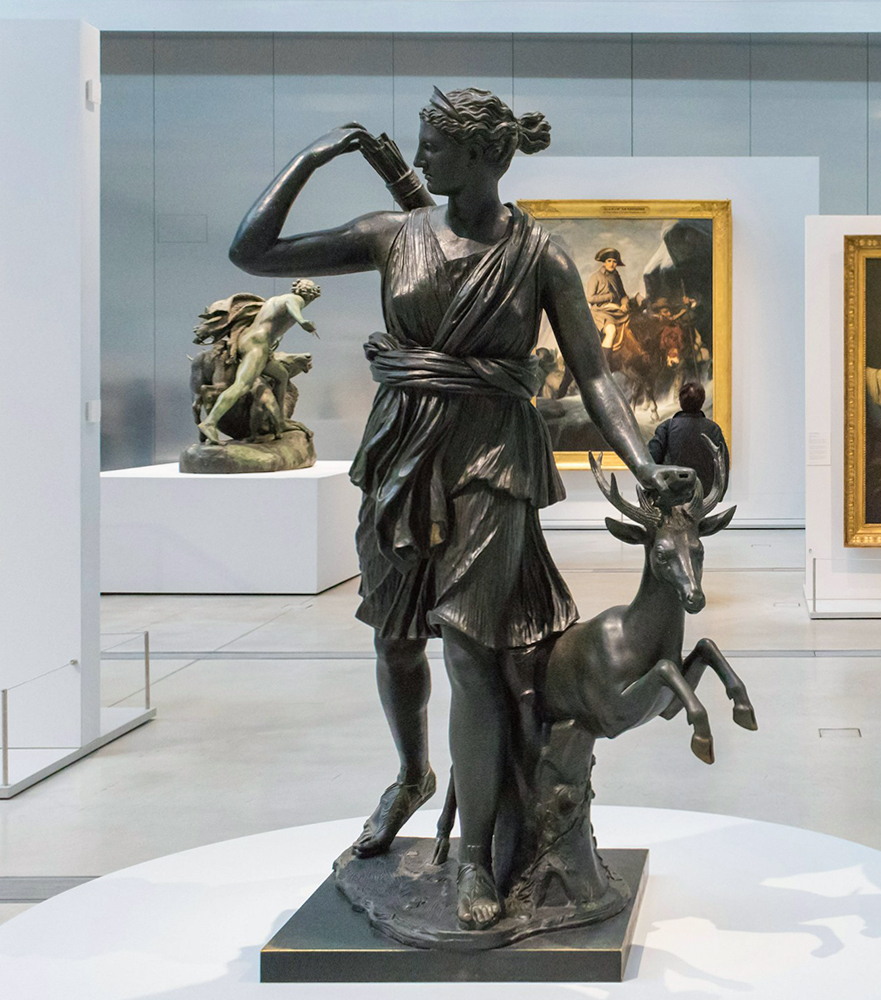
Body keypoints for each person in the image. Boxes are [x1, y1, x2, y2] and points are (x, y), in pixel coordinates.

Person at [228, 86, 694, 930]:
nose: (420, 158)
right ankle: (413, 774)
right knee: (396, 638)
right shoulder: (392, 234)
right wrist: (313, 157)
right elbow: (252, 252)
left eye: (435, 145)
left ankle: (475, 855)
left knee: (473, 654)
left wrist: (644, 463)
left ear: (485, 156)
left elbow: (594, 375)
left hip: (493, 461)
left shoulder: (540, 257)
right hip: (402, 455)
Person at [196, 279, 320, 444]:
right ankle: (210, 422)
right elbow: (292, 306)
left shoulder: (275, 300)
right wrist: (302, 322)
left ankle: (281, 421)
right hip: (257, 344)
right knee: (242, 385)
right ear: (311, 294)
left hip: (250, 340)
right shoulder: (296, 299)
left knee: (281, 375)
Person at [649, 381, 728, 495]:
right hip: (704, 497)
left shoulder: (666, 427)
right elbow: (722, 466)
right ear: (702, 401)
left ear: (680, 401)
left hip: (672, 496)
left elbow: (651, 461)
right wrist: (718, 495)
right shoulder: (713, 429)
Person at [587, 247, 631, 350]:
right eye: (609, 261)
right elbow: (590, 298)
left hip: (616, 311)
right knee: (611, 332)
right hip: (600, 312)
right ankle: (604, 360)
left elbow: (623, 295)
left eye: (614, 262)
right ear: (604, 263)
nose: (612, 264)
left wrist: (624, 304)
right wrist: (609, 296)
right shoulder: (595, 277)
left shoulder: (616, 277)